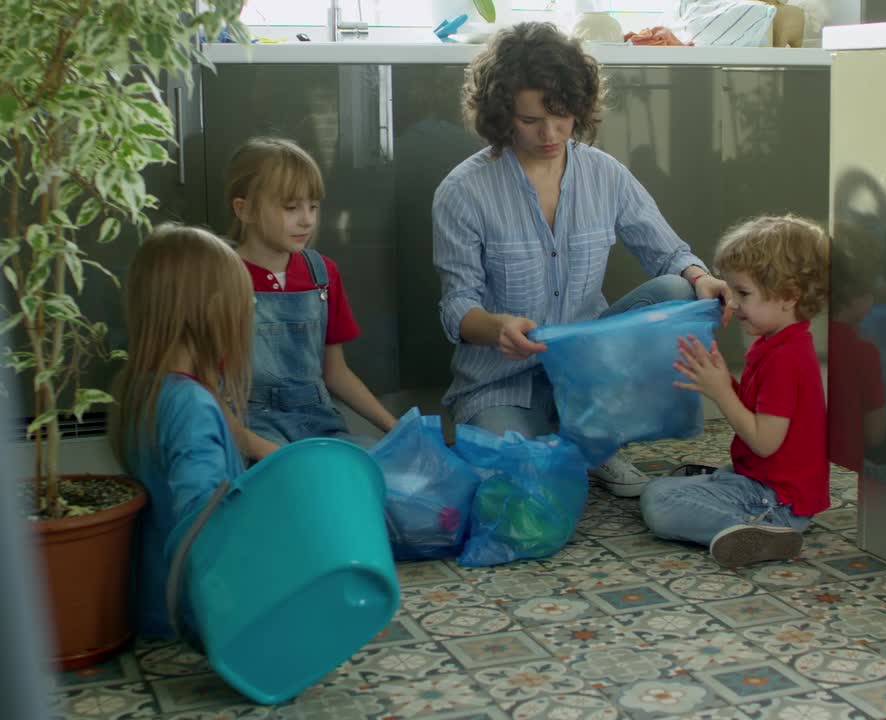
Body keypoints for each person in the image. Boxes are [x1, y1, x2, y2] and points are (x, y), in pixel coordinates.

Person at [432, 22, 730, 497]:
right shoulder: (462, 192)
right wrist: (498, 327)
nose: (550, 133)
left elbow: (667, 252)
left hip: (590, 375)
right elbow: (456, 306)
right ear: (502, 115)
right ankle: (576, 445)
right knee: (516, 490)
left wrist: (702, 277)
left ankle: (592, 438)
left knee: (678, 290)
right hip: (503, 383)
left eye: (562, 115)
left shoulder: (605, 174)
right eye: (530, 120)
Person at [639, 215, 828, 567]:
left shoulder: (787, 357)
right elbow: (759, 416)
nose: (733, 304)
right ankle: (726, 492)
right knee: (663, 488)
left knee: (658, 501)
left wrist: (721, 392)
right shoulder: (773, 343)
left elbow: (764, 441)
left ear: (788, 297)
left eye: (743, 293)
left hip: (778, 500)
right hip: (764, 481)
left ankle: (757, 531)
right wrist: (724, 380)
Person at [109, 225, 254, 638]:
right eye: (244, 304)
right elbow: (202, 521)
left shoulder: (139, 387)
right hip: (197, 614)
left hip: (152, 602)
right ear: (212, 311)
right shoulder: (192, 405)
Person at [226, 137, 397, 460]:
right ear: (244, 209)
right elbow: (207, 389)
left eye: (313, 206)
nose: (306, 220)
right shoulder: (221, 277)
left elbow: (335, 372)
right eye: (291, 208)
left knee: (374, 468)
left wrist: (395, 427)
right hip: (253, 427)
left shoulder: (323, 273)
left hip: (318, 422)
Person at [827, 224, 886, 475]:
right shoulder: (863, 353)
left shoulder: (800, 341)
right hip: (844, 478)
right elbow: (876, 434)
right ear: (858, 298)